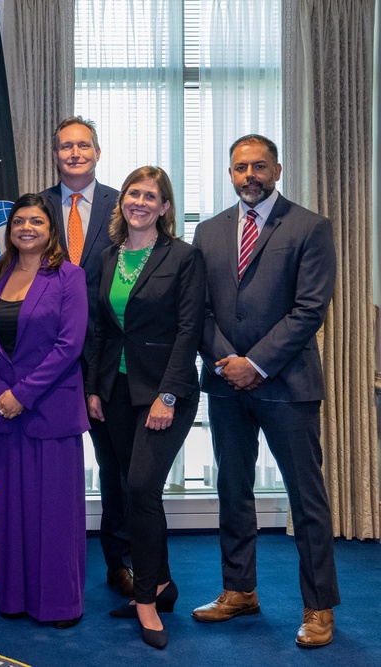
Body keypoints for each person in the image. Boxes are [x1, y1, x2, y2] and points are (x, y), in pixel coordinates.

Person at [191, 134, 340, 648]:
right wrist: (228, 363)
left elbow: (310, 310)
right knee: (232, 491)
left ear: (277, 170)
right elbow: (201, 311)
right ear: (228, 173)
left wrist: (256, 363)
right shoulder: (207, 233)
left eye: (258, 166)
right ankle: (239, 590)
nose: (248, 175)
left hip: (288, 384)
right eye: (238, 167)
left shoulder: (310, 227)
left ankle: (319, 606)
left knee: (306, 498)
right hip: (226, 383)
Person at [85, 167, 206, 649]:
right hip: (113, 392)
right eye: (133, 193)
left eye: (150, 196)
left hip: (162, 393)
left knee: (141, 487)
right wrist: (93, 387)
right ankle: (162, 582)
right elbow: (100, 329)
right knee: (125, 487)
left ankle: (146, 599)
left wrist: (169, 394)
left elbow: (188, 331)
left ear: (165, 207)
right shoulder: (107, 256)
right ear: (123, 202)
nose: (139, 201)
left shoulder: (183, 257)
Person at [0, 192, 89, 628]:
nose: (26, 228)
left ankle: (59, 603)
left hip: (50, 413)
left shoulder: (68, 277)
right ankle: (17, 597)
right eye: (19, 220)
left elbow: (69, 346)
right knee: (17, 513)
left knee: (56, 514)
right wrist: (0, 392)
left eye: (36, 221)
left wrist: (22, 394)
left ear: (50, 228)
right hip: (6, 414)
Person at [40, 116, 132, 598]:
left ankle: (121, 562)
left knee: (115, 466)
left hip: (106, 357)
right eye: (65, 147)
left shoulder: (126, 203)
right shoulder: (36, 207)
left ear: (97, 151)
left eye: (82, 145)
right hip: (47, 361)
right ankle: (47, 556)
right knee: (47, 464)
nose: (74, 153)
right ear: (54, 155)